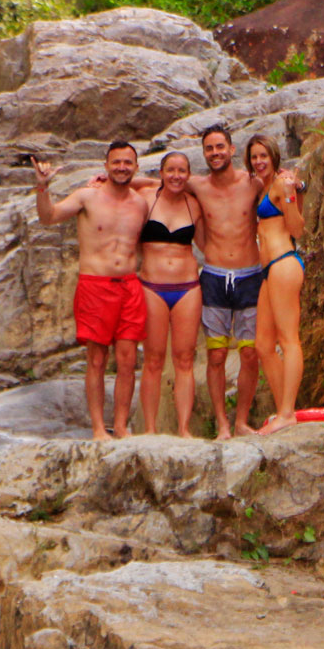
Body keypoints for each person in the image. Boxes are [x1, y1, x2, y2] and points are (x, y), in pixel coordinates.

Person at [35, 141, 151, 439]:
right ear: (105, 165)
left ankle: (122, 426)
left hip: (129, 285)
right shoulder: (88, 196)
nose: (122, 167)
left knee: (127, 360)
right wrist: (43, 188)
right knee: (96, 360)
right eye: (116, 162)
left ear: (136, 167)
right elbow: (48, 217)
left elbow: (170, 182)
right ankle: (99, 428)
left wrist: (138, 181)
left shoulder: (141, 202)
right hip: (95, 286)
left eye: (128, 163)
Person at [186, 125, 270, 439]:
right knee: (217, 355)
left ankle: (242, 421)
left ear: (232, 150)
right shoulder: (198, 185)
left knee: (250, 353)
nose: (215, 153)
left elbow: (278, 187)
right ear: (204, 153)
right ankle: (222, 424)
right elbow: (162, 180)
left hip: (250, 275)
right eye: (209, 148)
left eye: (220, 147)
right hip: (214, 277)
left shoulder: (252, 183)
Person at [134, 152, 204, 437]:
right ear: (161, 173)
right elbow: (123, 184)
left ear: (188, 175)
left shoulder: (194, 205)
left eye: (182, 171)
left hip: (188, 286)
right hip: (152, 286)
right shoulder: (146, 199)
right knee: (152, 359)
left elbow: (207, 242)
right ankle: (150, 429)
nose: (176, 176)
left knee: (185, 359)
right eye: (170, 170)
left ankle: (184, 428)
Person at [245, 135, 305, 434]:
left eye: (263, 156)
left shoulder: (282, 185)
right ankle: (286, 411)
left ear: (274, 156)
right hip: (269, 269)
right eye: (254, 157)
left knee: (288, 339)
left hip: (284, 262)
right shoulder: (263, 188)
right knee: (264, 345)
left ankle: (286, 414)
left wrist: (292, 194)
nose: (259, 161)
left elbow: (297, 228)